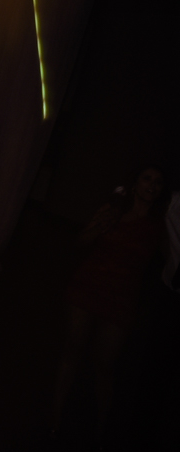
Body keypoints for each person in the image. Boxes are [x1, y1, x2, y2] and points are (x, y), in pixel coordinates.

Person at [50, 165, 169, 434]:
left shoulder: (159, 227)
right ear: (136, 184)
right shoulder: (112, 211)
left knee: (105, 366)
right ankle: (55, 419)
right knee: (72, 351)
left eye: (158, 182)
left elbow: (168, 264)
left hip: (123, 296)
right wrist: (98, 227)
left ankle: (100, 430)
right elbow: (80, 242)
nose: (152, 185)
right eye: (147, 178)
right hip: (88, 285)